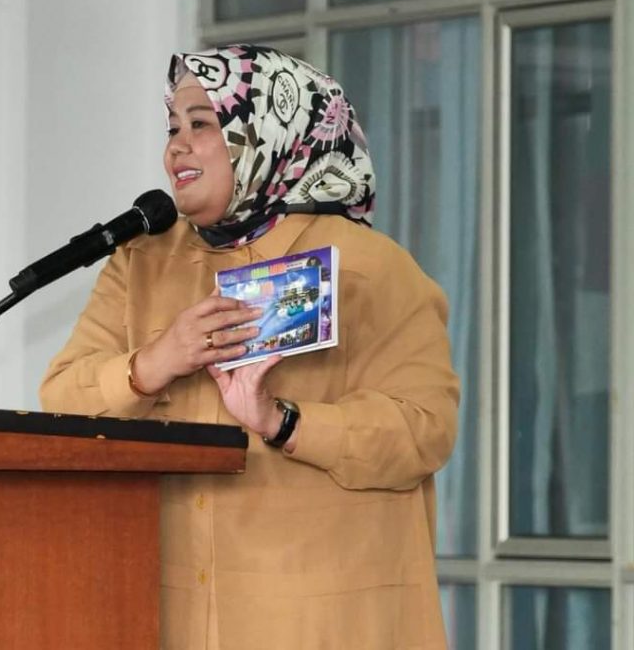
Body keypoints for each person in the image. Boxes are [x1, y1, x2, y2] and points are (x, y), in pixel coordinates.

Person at [40, 45, 459, 649]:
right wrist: (155, 363)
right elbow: (60, 399)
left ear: (268, 133)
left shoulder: (366, 269)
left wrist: (281, 421)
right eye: (173, 128)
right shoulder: (142, 262)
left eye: (201, 124)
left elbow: (424, 430)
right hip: (167, 613)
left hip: (318, 621)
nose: (177, 147)